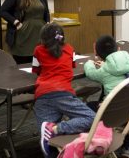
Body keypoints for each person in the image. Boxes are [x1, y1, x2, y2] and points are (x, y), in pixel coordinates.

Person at [32, 23, 96, 158]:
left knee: (48, 141)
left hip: (42, 96)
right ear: (62, 37)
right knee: (92, 118)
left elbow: (36, 71)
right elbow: (71, 65)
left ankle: (52, 129)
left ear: (43, 38)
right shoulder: (69, 49)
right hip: (64, 94)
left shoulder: (38, 50)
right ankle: (57, 129)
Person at [84, 35, 129, 158]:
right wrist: (106, 64)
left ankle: (95, 142)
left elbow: (91, 73)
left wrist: (89, 63)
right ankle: (126, 148)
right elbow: (117, 71)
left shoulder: (105, 72)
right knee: (122, 110)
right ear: (118, 49)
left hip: (113, 113)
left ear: (98, 53)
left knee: (87, 107)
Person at [0, 0, 50, 64]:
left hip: (40, 35)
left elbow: (46, 12)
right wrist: (16, 22)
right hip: (23, 36)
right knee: (23, 66)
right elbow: (3, 11)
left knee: (39, 64)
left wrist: (47, 22)